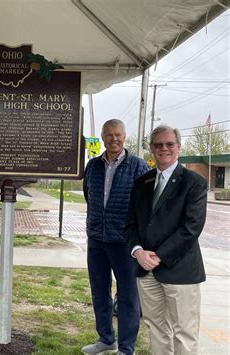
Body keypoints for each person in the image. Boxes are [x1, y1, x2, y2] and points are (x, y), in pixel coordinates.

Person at [125, 125, 207, 355]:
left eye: (169, 144)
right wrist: (138, 252)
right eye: (158, 144)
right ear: (151, 149)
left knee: (184, 333)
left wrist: (159, 256)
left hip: (180, 271)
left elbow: (191, 228)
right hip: (146, 270)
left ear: (178, 147)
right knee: (156, 328)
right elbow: (130, 225)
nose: (164, 148)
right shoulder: (142, 182)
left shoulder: (194, 182)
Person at [82, 119, 149, 355]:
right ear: (102, 137)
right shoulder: (92, 166)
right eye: (109, 135)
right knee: (99, 292)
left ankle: (126, 348)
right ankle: (106, 339)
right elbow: (89, 197)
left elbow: (144, 205)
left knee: (128, 297)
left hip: (125, 243)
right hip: (97, 240)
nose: (114, 139)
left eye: (118, 135)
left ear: (124, 136)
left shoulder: (138, 167)